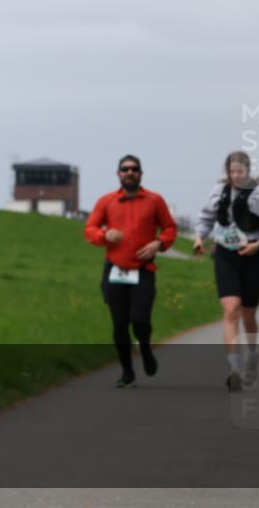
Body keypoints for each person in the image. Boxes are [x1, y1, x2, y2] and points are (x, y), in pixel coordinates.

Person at [192, 151, 259, 392]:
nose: (236, 176)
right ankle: (233, 367)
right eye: (232, 172)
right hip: (225, 254)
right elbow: (205, 218)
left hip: (253, 256)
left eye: (240, 171)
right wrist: (198, 238)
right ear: (227, 172)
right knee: (231, 309)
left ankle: (253, 354)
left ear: (248, 170)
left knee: (248, 314)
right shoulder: (218, 192)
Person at [84, 155, 178, 388]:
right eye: (125, 169)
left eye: (134, 169)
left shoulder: (154, 200)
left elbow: (169, 228)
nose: (129, 173)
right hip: (115, 270)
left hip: (143, 270)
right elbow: (90, 228)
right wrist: (103, 235)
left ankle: (145, 346)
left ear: (141, 174)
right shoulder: (107, 201)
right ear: (118, 174)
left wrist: (159, 243)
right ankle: (127, 371)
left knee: (140, 319)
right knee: (119, 324)